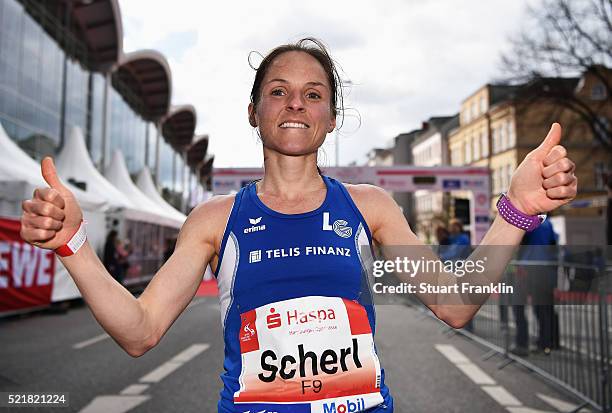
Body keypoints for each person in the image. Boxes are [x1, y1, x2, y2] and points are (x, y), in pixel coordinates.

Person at [19, 38, 577, 412]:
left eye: (313, 94)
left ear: (330, 118)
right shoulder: (216, 219)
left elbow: (455, 304)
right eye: (278, 91)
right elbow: (140, 331)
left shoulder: (370, 207)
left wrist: (517, 208)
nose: (295, 104)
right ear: (254, 111)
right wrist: (73, 245)